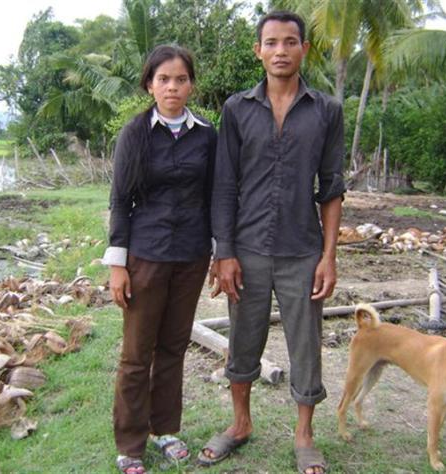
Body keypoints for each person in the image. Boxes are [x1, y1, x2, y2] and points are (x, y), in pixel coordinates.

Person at [199, 10, 345, 474]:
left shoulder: (326, 110)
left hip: (303, 250)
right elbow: (224, 184)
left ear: (304, 49)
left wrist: (328, 257)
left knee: (306, 344)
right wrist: (224, 252)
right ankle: (240, 424)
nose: (280, 51)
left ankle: (304, 436)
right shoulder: (237, 109)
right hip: (247, 248)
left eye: (290, 42)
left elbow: (332, 188)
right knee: (243, 339)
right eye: (271, 43)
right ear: (258, 50)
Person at [102, 44, 217, 474]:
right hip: (145, 256)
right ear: (149, 84)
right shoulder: (134, 134)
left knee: (173, 347)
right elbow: (120, 201)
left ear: (191, 85)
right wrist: (118, 265)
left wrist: (219, 252)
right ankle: (130, 444)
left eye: (181, 79)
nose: (172, 87)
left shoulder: (206, 135)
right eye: (164, 79)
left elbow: (215, 197)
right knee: (137, 354)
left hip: (191, 256)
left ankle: (165, 429)